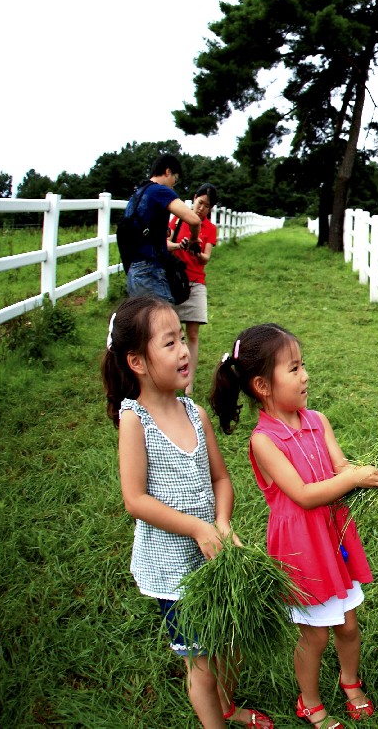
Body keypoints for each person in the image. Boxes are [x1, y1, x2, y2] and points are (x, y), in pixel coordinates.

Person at [102, 295, 273, 729]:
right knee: (201, 661)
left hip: (213, 557)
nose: (184, 350)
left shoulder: (195, 413)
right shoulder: (134, 421)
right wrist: (197, 528)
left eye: (183, 338)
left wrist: (220, 523)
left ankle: (228, 708)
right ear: (137, 361)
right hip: (173, 570)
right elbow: (135, 500)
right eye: (170, 342)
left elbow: (221, 480)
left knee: (231, 641)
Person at [210, 324, 378, 729]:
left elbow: (340, 467)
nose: (305, 375)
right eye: (293, 369)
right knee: (315, 635)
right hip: (302, 546)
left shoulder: (317, 420)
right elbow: (304, 494)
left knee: (347, 622)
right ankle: (309, 701)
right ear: (262, 386)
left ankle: (350, 682)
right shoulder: (263, 441)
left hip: (333, 534)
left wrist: (366, 472)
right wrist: (352, 479)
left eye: (302, 365)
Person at [125, 153, 202, 303]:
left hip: (133, 271)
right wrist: (193, 239)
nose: (174, 184)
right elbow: (194, 220)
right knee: (164, 321)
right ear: (168, 172)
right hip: (150, 271)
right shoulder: (159, 191)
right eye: (175, 179)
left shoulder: (137, 194)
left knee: (144, 323)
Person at [170, 183, 220, 397]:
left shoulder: (210, 228)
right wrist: (179, 245)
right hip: (174, 280)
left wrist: (197, 251)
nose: (201, 209)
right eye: (200, 203)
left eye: (207, 206)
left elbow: (206, 258)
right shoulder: (178, 218)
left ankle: (188, 382)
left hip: (196, 281)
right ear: (194, 198)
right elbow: (166, 243)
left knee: (192, 334)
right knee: (170, 332)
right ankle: (171, 374)